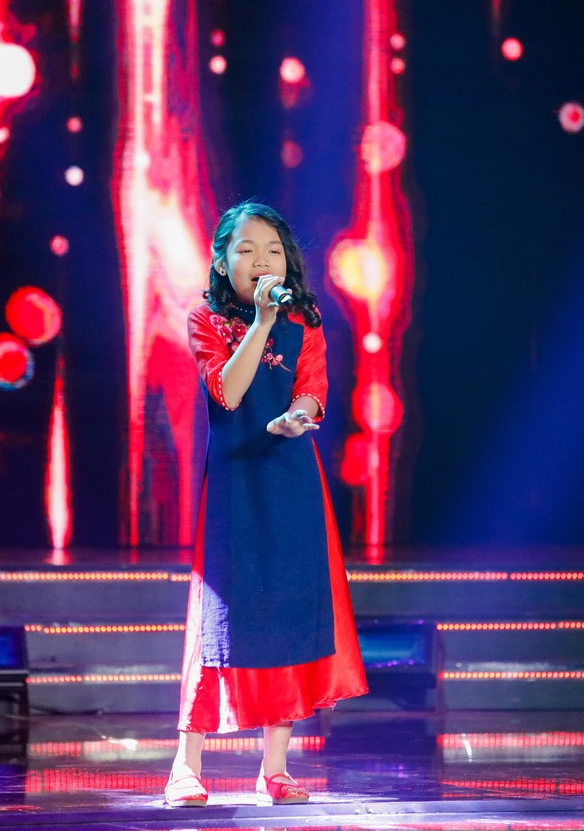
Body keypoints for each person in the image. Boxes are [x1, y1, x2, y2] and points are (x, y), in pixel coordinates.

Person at [165, 201, 368, 808]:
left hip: (291, 479)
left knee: (289, 614)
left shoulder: (305, 320)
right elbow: (227, 392)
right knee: (217, 621)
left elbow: (313, 391)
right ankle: (186, 764)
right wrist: (260, 322)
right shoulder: (206, 318)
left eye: (273, 250)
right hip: (235, 483)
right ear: (221, 261)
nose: (261, 260)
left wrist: (299, 416)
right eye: (247, 249)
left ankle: (274, 768)